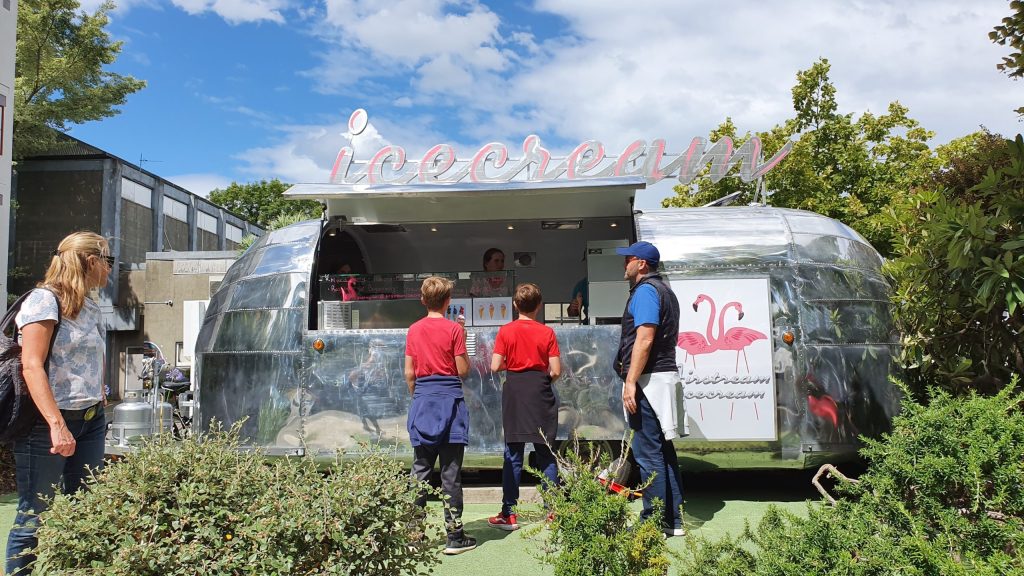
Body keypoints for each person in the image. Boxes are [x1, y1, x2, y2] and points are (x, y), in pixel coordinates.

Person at [6, 231, 112, 575]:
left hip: (91, 420)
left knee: (86, 510)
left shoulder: (92, 307)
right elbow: (31, 365)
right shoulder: (43, 301)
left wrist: (100, 397)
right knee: (33, 516)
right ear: (91, 262)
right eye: (108, 261)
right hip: (46, 425)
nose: (111, 269)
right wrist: (57, 425)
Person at [614, 241, 685, 538]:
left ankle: (653, 523)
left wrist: (631, 381)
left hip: (649, 380)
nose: (624, 264)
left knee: (647, 454)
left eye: (628, 259)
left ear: (641, 263)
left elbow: (645, 338)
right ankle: (673, 520)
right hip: (661, 376)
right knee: (663, 452)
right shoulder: (665, 289)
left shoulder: (645, 291)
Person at [404, 276, 477, 555]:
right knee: (450, 473)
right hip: (451, 403)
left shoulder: (413, 329)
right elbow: (462, 370)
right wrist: (463, 340)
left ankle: (414, 535)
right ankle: (455, 536)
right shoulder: (454, 329)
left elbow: (409, 373)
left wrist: (420, 396)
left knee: (420, 471)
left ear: (423, 300)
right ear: (448, 301)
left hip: (423, 401)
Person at [487, 283, 561, 530]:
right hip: (540, 392)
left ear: (515, 305)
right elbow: (556, 370)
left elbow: (495, 366)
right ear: (539, 306)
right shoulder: (547, 333)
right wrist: (542, 379)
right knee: (546, 454)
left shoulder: (505, 331)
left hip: (515, 393)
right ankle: (552, 513)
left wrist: (511, 363)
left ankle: (509, 514)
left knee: (513, 454)